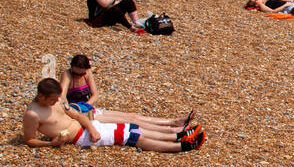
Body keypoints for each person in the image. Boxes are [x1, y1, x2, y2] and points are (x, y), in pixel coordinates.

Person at [22, 78, 204, 152]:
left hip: (88, 129)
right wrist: (49, 144)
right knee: (133, 137)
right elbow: (29, 140)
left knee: (133, 128)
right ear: (41, 96)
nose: (56, 102)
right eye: (52, 99)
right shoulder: (32, 114)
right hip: (78, 138)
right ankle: (181, 146)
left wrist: (91, 128)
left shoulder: (58, 101)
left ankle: (178, 135)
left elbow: (78, 116)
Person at [58, 54, 199, 133]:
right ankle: (175, 130)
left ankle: (174, 121)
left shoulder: (86, 74)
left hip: (88, 109)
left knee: (133, 116)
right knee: (131, 121)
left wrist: (87, 106)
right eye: (76, 72)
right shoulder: (68, 74)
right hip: (79, 113)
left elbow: (95, 95)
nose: (77, 76)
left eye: (80, 73)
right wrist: (75, 110)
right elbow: (62, 96)